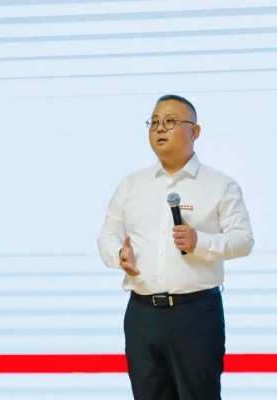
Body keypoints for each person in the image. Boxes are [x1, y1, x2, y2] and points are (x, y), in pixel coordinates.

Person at [97, 94, 254, 400]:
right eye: (154, 122)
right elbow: (107, 234)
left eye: (170, 121)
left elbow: (243, 240)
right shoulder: (132, 185)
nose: (160, 128)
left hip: (195, 314)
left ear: (195, 131)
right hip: (142, 315)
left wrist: (201, 242)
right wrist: (119, 254)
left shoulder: (220, 184)